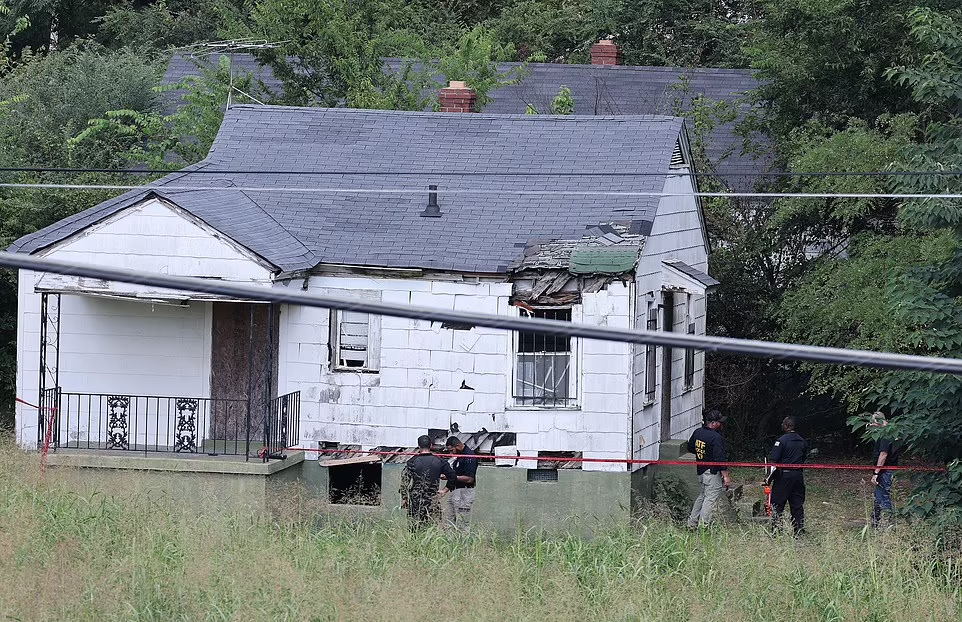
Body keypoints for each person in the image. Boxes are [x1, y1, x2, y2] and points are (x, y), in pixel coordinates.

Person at [399, 435, 457, 530]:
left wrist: (404, 498)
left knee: (414, 528)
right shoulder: (439, 461)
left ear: (419, 446)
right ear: (431, 445)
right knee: (434, 527)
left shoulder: (412, 461)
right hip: (433, 499)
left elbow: (405, 480)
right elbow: (453, 476)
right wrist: (444, 490)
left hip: (415, 500)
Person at [687, 409, 732, 529]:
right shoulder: (716, 437)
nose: (721, 424)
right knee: (710, 499)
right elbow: (719, 458)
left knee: (702, 496)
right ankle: (703, 527)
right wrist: (726, 476)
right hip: (712, 473)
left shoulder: (698, 432)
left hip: (701, 470)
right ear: (712, 423)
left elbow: (690, 447)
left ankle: (692, 524)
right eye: (719, 422)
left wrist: (702, 454)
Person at [768, 416, 809, 535]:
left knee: (777, 504)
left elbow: (774, 461)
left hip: (783, 477)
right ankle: (799, 530)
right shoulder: (802, 441)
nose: (781, 425)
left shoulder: (781, 441)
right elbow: (803, 458)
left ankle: (776, 531)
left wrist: (769, 478)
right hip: (798, 476)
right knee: (797, 504)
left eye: (783, 423)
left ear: (786, 426)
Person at [868, 412, 902, 528]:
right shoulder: (891, 433)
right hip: (887, 470)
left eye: (873, 422)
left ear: (879, 421)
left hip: (885, 471)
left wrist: (876, 473)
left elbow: (883, 455)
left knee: (883, 497)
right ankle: (877, 522)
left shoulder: (886, 435)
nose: (872, 424)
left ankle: (887, 524)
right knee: (879, 497)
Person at [444, 436, 478, 532]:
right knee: (449, 521)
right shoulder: (459, 456)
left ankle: (463, 541)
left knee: (462, 524)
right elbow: (455, 474)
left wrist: (452, 477)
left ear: (458, 446)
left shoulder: (469, 456)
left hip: (465, 491)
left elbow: (469, 479)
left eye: (452, 450)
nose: (451, 453)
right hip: (455, 490)